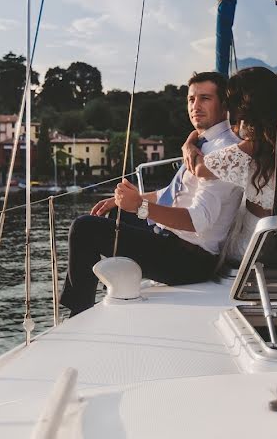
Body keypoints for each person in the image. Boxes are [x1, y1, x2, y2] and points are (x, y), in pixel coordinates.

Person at [59, 71, 244, 316]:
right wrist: (124, 201)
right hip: (174, 242)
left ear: (224, 105)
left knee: (84, 229)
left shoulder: (222, 153)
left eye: (205, 98)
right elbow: (171, 192)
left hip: (190, 261)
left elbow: (197, 220)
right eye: (191, 99)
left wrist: (139, 207)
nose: (195, 106)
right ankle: (97, 297)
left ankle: (78, 314)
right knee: (107, 216)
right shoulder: (203, 143)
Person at [184, 67, 277, 266]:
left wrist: (189, 148)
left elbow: (201, 169)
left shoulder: (256, 143)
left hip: (253, 242)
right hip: (274, 230)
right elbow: (213, 131)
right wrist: (190, 140)